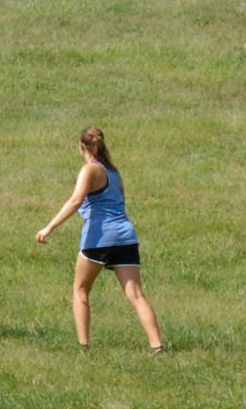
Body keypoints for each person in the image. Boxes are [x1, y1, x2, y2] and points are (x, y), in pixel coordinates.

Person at [36, 127, 164, 353]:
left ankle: (83, 346)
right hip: (125, 236)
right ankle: (157, 346)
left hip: (99, 237)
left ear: (81, 146)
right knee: (136, 294)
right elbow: (120, 202)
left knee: (80, 290)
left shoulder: (89, 170)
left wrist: (49, 227)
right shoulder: (114, 173)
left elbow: (76, 201)